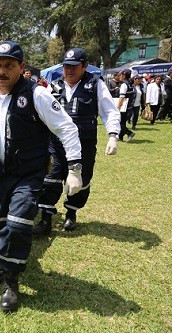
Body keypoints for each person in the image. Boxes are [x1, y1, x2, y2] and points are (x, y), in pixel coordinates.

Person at [0, 41, 83, 312]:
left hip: (28, 175)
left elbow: (67, 129)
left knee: (19, 223)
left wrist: (75, 169)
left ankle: (11, 281)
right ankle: (4, 262)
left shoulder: (37, 94)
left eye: (9, 65)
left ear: (22, 68)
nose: (2, 71)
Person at [33, 47, 121, 235]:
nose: (69, 71)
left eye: (74, 66)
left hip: (84, 145)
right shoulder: (53, 86)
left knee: (81, 181)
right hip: (55, 145)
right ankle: (46, 217)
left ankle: (71, 213)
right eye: (66, 66)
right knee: (50, 180)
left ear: (85, 66)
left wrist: (113, 135)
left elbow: (110, 110)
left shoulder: (95, 85)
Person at [116, 69, 136, 141]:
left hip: (123, 106)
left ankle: (129, 133)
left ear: (124, 75)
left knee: (118, 121)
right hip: (129, 106)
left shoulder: (124, 85)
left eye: (121, 75)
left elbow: (122, 97)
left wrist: (118, 107)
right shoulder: (130, 84)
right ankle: (120, 137)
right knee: (123, 122)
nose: (119, 76)